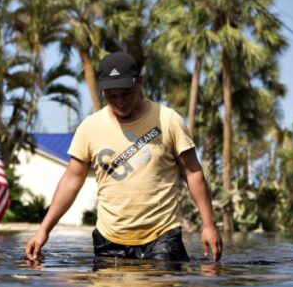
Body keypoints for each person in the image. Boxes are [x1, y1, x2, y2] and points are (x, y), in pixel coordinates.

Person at [25, 52, 222, 263]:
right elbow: (72, 180)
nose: (120, 102)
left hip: (162, 237)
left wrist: (209, 225)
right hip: (109, 240)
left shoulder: (168, 120)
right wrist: (43, 230)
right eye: (111, 95)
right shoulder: (90, 127)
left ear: (140, 82)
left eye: (126, 93)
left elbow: (193, 173)